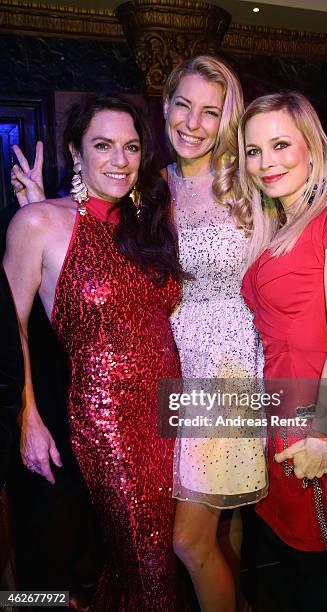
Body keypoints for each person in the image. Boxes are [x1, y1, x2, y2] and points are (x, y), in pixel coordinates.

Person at [11, 56, 327, 612]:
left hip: (227, 373)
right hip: (158, 378)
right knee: (210, 531)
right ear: (164, 108)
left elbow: (315, 249)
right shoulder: (148, 190)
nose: (193, 122)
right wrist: (40, 215)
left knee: (187, 539)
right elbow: (97, 262)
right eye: (183, 105)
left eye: (211, 112)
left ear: (226, 120)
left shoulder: (251, 186)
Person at [4, 94, 184, 610]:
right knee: (148, 563)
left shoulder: (148, 223)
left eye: (130, 147)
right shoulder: (38, 222)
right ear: (75, 153)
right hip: (106, 421)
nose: (120, 160)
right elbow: (13, 331)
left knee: (142, 560)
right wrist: (28, 417)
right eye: (103, 145)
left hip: (167, 410)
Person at [239, 91, 327, 611]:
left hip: (316, 414)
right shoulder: (286, 225)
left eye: (280, 145)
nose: (265, 162)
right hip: (280, 409)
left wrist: (321, 434)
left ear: (312, 148)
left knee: (315, 559)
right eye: (253, 151)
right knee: (294, 556)